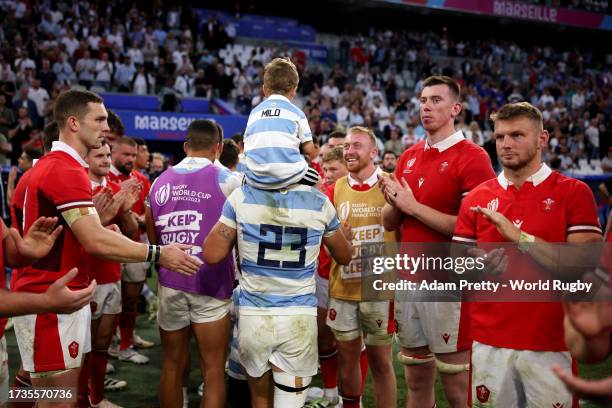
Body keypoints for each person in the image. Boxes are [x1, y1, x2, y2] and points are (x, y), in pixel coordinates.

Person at [11, 89, 201, 407]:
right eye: (98, 119)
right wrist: (160, 253)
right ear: (73, 123)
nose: (105, 127)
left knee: (38, 389)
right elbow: (95, 239)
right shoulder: (65, 169)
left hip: (48, 294)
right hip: (54, 299)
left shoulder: (44, 167)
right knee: (59, 400)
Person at [452, 102, 602, 407]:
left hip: (550, 343)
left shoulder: (573, 193)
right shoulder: (478, 198)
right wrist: (477, 267)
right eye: (500, 137)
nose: (506, 145)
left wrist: (520, 238)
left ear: (542, 139)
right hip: (488, 343)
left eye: (517, 135)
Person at [380, 75, 495, 408]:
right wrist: (392, 201)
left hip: (449, 284)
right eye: (423, 100)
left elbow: (473, 227)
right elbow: (390, 221)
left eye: (436, 100)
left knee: (457, 387)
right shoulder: (409, 156)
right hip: (409, 280)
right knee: (415, 381)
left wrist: (412, 206)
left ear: (456, 108)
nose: (426, 106)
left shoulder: (473, 157)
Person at [203, 171, 352, 408]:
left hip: (254, 314)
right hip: (297, 316)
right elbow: (345, 257)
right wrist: (346, 238)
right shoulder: (319, 202)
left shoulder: (243, 197)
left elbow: (211, 254)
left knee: (260, 398)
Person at [146, 120, 241, 408]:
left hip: (171, 279)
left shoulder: (159, 181)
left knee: (172, 365)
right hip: (211, 280)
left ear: (186, 146)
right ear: (218, 148)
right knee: (212, 371)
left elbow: (154, 236)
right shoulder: (230, 180)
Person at [325, 126, 398, 408]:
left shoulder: (391, 184)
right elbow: (327, 242)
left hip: (378, 290)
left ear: (374, 152)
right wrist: (337, 240)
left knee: (381, 361)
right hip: (342, 286)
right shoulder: (337, 189)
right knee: (347, 357)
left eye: (357, 145)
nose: (350, 151)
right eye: (346, 146)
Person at [82, 141, 139, 407]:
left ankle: (98, 398)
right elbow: (83, 237)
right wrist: (105, 220)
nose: (105, 160)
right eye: (100, 155)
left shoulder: (114, 189)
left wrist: (124, 208)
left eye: (107, 155)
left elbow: (129, 233)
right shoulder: (78, 190)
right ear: (86, 157)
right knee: (84, 349)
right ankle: (82, 399)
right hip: (86, 279)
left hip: (111, 275)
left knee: (102, 345)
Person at [108, 136, 155, 363]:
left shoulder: (141, 179)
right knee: (109, 305)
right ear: (113, 153)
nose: (131, 159)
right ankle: (109, 347)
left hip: (135, 246)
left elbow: (148, 215)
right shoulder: (103, 177)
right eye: (126, 154)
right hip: (108, 248)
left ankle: (126, 344)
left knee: (130, 301)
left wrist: (141, 220)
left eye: (133, 155)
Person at [309, 147, 350, 406]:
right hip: (324, 275)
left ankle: (351, 399)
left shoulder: (362, 194)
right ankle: (330, 393)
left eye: (334, 169)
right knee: (324, 337)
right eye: (325, 170)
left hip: (353, 279)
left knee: (352, 343)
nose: (328, 174)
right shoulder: (321, 196)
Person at [241, 57, 319, 190]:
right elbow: (309, 150)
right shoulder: (297, 113)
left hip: (254, 178)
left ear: (264, 89)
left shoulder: (254, 113)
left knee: (242, 182)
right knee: (317, 180)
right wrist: (312, 153)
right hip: (288, 176)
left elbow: (247, 145)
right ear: (294, 90)